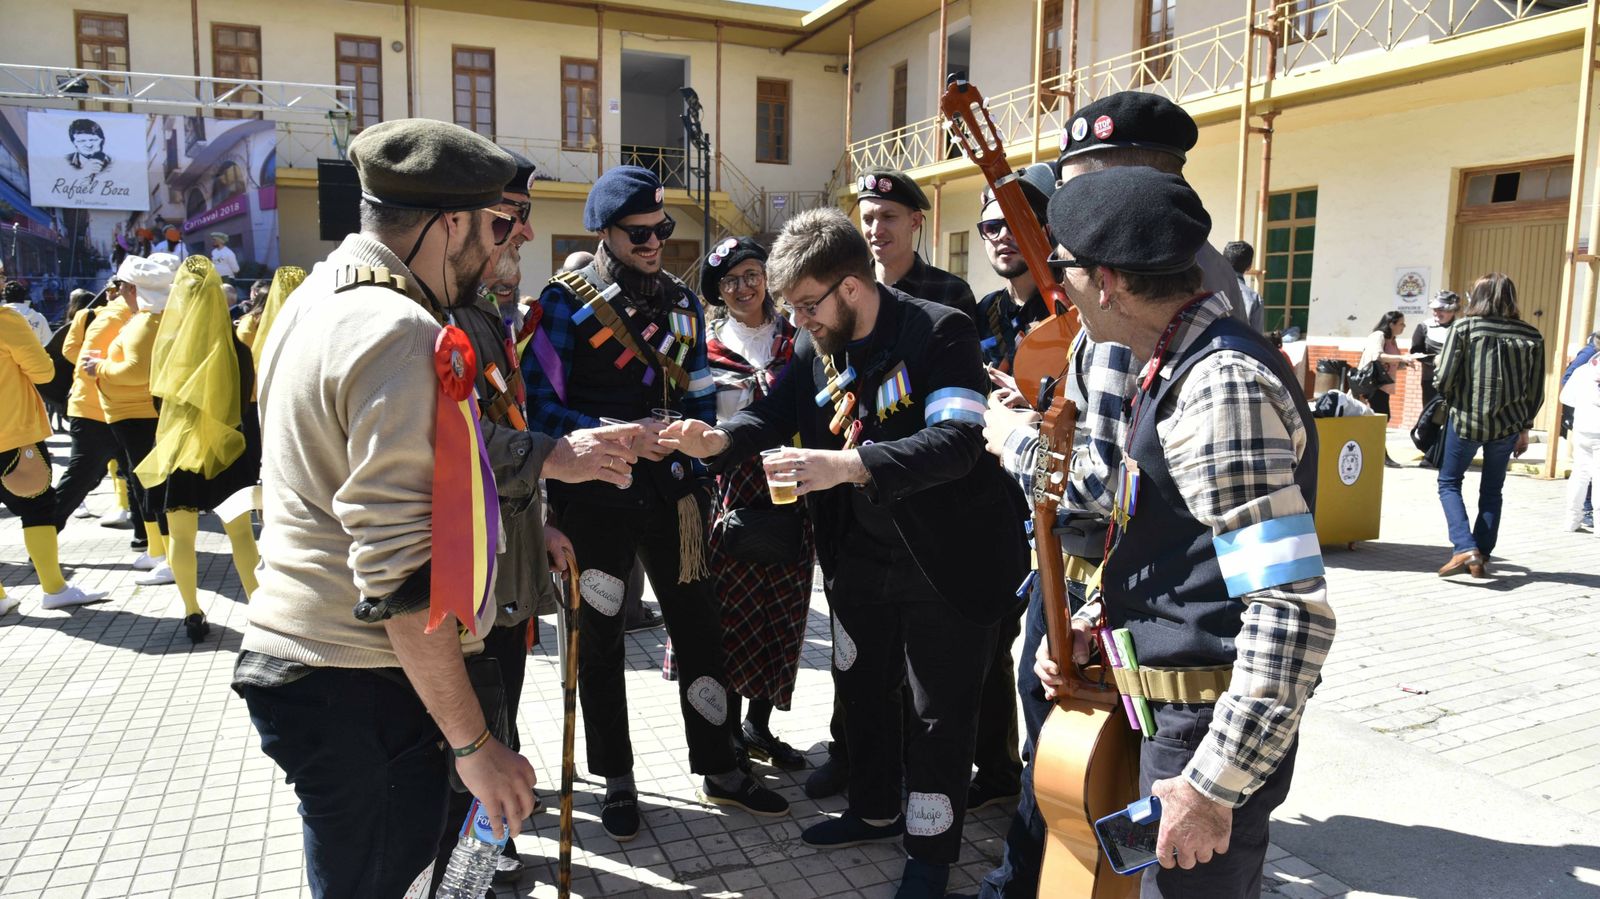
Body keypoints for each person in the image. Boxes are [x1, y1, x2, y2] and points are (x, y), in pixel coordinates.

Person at [235, 119, 620, 895]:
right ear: (450, 224)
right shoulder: (399, 330)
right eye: (496, 226)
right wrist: (475, 741)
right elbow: (401, 575)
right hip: (361, 681)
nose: (498, 249)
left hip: (318, 672)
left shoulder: (316, 295)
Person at [663, 207, 1030, 899]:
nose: (797, 323)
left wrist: (846, 465)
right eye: (792, 309)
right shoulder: (814, 345)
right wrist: (717, 440)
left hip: (943, 561)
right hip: (861, 557)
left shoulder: (937, 330)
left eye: (806, 306)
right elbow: (772, 414)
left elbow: (955, 443)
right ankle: (873, 808)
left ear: (851, 287)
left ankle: (930, 850)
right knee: (862, 687)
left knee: (935, 714)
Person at [1027, 166, 1335, 898]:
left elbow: (1290, 612)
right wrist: (1092, 630)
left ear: (1107, 282)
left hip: (1202, 737)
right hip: (1170, 717)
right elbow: (1174, 544)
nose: (1057, 289)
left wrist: (1211, 786)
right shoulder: (1168, 361)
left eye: (1061, 268)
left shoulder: (1218, 386)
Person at [522, 164, 788, 843]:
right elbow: (540, 406)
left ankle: (720, 762)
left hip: (675, 497)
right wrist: (616, 434)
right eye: (638, 232)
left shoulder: (681, 303)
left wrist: (696, 435)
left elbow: (699, 390)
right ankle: (616, 775)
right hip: (594, 499)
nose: (652, 241)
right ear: (605, 232)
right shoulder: (564, 301)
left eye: (661, 229)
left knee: (702, 628)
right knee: (598, 640)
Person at [427, 149, 632, 888]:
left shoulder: (486, 312)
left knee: (499, 716)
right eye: (507, 219)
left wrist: (536, 523)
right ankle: (471, 869)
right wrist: (558, 455)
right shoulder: (436, 316)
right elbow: (458, 446)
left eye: (522, 218)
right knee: (469, 745)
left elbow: (495, 426)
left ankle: (486, 855)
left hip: (504, 565)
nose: (520, 233)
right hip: (460, 581)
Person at [699, 236, 814, 771]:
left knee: (782, 612)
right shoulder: (704, 348)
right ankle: (727, 733)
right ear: (719, 292)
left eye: (751, 274)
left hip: (790, 487)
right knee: (730, 612)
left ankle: (760, 726)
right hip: (728, 492)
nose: (743, 287)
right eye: (730, 281)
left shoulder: (800, 338)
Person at [131, 257, 263, 642]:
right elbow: (243, 400)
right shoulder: (236, 348)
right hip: (227, 448)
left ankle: (191, 610)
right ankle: (258, 608)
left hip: (177, 449)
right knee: (241, 534)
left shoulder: (168, 348)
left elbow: (158, 402)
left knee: (182, 536)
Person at [1055, 92, 1254, 327]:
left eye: (1075, 194)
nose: (1065, 209)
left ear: (1136, 188)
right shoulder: (1205, 264)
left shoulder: (1160, 281)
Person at [1433, 273, 1545, 578]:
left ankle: (1464, 547)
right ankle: (1481, 553)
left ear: (1477, 297)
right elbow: (1534, 390)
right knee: (1492, 490)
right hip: (1508, 425)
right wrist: (1524, 427)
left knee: (1449, 482)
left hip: (1467, 420)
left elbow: (1443, 377)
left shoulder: (1466, 327)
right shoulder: (1532, 335)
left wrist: (1449, 398)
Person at [0, 302, 107, 613]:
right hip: (12, 432)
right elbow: (44, 371)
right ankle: (54, 588)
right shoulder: (7, 320)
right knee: (38, 506)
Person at [87, 253, 181, 585]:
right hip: (138, 415)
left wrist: (97, 368)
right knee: (149, 487)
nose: (121, 292)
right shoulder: (154, 318)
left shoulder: (146, 322)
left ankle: (171, 559)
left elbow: (136, 371)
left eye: (125, 286)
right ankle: (162, 553)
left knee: (153, 489)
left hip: (139, 415)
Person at [854, 168, 977, 321]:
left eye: (888, 217)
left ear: (915, 222)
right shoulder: (849, 290)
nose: (876, 230)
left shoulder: (952, 293)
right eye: (868, 219)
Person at [973, 164, 1056, 374]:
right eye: (991, 227)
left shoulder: (1072, 306)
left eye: (1015, 223)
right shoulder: (983, 312)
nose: (1003, 235)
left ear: (1046, 232)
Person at [1561, 330, 1600, 527]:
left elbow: (1566, 397)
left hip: (1583, 425)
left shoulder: (1585, 368)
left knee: (1580, 473)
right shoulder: (1586, 362)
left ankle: (1571, 520)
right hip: (1595, 428)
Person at [1221, 240, 1266, 332]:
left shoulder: (1207, 288)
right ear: (1249, 266)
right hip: (1241, 345)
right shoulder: (1254, 299)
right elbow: (1256, 338)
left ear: (1223, 261)